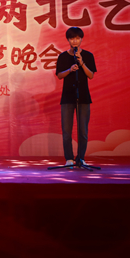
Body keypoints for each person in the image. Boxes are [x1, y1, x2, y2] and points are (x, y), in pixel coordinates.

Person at [55, 27, 97, 167]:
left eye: (77, 38)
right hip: (67, 97)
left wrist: (81, 62)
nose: (75, 41)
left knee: (83, 131)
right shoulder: (62, 56)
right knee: (67, 131)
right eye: (72, 38)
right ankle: (69, 159)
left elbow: (90, 75)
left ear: (81, 39)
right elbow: (59, 75)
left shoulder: (88, 55)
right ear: (68, 40)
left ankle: (81, 158)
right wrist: (70, 69)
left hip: (83, 97)